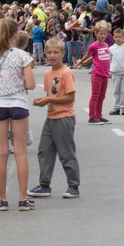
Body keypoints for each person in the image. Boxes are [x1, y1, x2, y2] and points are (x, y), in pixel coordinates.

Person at [0, 18, 36, 211]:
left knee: (1, 152)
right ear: (15, 35)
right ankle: (22, 199)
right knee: (20, 152)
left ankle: (2, 199)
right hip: (18, 103)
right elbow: (30, 84)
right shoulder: (21, 56)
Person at [29, 39, 79, 199]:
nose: (52, 55)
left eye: (56, 52)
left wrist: (49, 100)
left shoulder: (66, 73)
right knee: (44, 151)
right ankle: (44, 185)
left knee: (66, 152)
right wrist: (43, 101)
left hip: (64, 117)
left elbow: (69, 98)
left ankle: (73, 185)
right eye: (49, 52)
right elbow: (51, 94)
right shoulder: (47, 74)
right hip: (50, 117)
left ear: (63, 54)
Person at [76, 21, 113, 124]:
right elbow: (88, 56)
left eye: (105, 33)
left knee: (102, 96)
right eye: (101, 33)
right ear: (96, 33)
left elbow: (94, 58)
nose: (103, 35)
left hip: (105, 74)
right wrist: (81, 62)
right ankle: (92, 117)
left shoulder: (106, 45)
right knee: (95, 95)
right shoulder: (93, 46)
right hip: (97, 74)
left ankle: (99, 115)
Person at [107, 32, 124, 116]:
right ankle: (116, 107)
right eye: (116, 37)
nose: (118, 39)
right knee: (116, 90)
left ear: (123, 37)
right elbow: (110, 59)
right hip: (115, 71)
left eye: (120, 37)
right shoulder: (111, 48)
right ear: (114, 37)